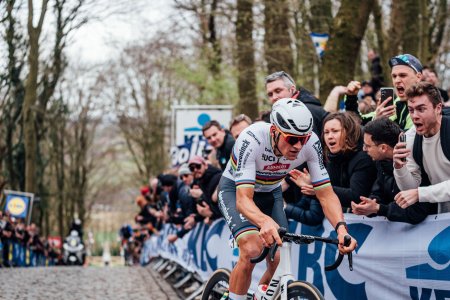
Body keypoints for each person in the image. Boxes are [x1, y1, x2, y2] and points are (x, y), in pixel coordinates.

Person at [217, 98, 356, 300]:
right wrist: (264, 221)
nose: (298, 146)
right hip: (235, 190)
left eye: (304, 138)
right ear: (274, 132)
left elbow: (325, 194)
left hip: (270, 192)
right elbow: (243, 200)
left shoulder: (311, 143)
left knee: (278, 258)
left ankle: (260, 295)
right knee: (252, 249)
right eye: (292, 139)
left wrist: (342, 229)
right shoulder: (251, 138)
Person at [351, 118, 436, 223]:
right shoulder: (381, 162)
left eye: (367, 146)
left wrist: (380, 209)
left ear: (383, 148)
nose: (364, 149)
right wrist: (370, 204)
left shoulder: (414, 160)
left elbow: (417, 212)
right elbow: (379, 191)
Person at [291, 112, 377, 212]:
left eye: (335, 131)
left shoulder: (363, 157)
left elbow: (357, 196)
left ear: (348, 133)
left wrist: (320, 188)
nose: (329, 136)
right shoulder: (331, 156)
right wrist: (312, 184)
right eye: (326, 132)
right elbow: (331, 192)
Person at [393, 82, 450, 213]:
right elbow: (410, 188)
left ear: (438, 108)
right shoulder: (410, 138)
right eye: (411, 110)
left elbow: (417, 193)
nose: (414, 116)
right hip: (444, 213)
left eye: (421, 109)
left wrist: (421, 193)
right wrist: (399, 167)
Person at [345, 53, 423, 130]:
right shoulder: (396, 103)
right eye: (394, 76)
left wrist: (378, 124)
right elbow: (357, 123)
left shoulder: (424, 105)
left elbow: (406, 138)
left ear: (418, 77)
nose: (397, 80)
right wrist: (351, 97)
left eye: (403, 75)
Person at [265, 71, 329, 136]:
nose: (274, 97)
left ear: (292, 89)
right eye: (270, 94)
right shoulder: (276, 116)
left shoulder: (308, 111)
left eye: (278, 91)